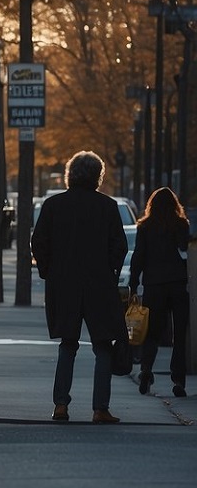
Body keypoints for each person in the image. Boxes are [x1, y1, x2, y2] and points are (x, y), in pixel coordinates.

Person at [31, 150, 129, 424]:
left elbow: (38, 242)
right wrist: (111, 272)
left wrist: (48, 271)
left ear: (70, 175)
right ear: (98, 176)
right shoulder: (108, 207)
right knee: (102, 345)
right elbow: (119, 246)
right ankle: (100, 408)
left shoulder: (53, 206)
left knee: (68, 343)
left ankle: (60, 405)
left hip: (64, 283)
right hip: (99, 284)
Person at [129, 187, 190, 397]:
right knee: (179, 334)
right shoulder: (181, 224)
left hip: (154, 284)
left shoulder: (145, 227)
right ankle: (179, 380)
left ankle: (146, 370)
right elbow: (185, 250)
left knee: (152, 333)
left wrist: (133, 282)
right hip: (178, 284)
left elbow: (139, 255)